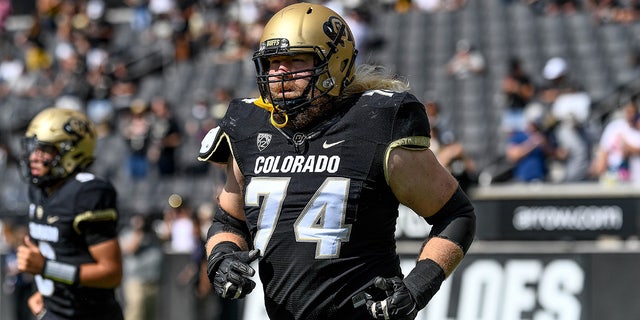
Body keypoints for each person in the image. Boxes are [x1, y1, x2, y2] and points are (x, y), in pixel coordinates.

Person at [197, 3, 476, 320]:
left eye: (295, 60)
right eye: (273, 62)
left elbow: (456, 215)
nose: (280, 73)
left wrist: (416, 288)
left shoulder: (375, 123)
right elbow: (229, 221)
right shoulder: (249, 127)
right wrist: (222, 256)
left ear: (335, 63)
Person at [16, 107, 124, 320]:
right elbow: (63, 251)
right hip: (54, 311)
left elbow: (111, 273)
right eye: (33, 148)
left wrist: (46, 269)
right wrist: (45, 291)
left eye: (45, 150)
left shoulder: (88, 192)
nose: (34, 157)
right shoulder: (39, 190)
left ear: (72, 150)